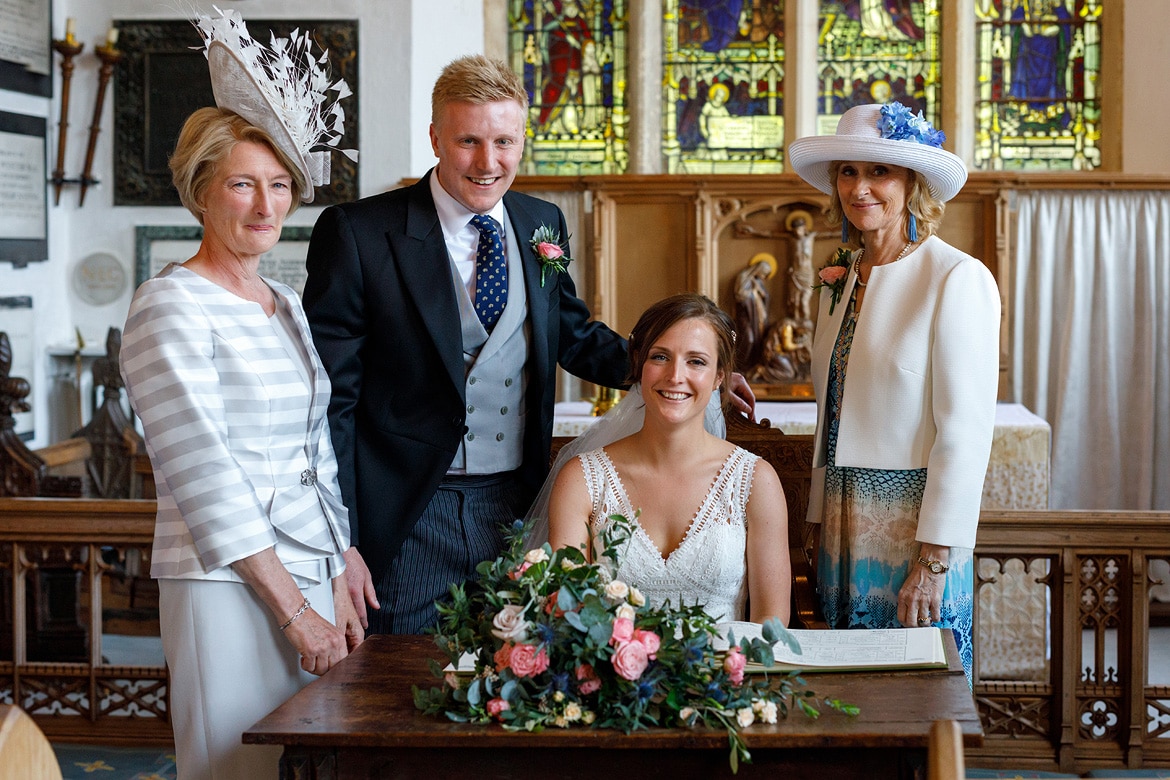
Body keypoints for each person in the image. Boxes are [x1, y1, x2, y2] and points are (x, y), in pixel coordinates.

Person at [119, 10, 360, 777]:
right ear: (201, 192)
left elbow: (315, 444)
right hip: (227, 583)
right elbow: (203, 474)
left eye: (280, 185)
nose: (266, 207)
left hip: (314, 564)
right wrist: (292, 610)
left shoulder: (282, 300)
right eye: (243, 185)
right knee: (236, 767)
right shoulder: (169, 304)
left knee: (311, 763)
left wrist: (342, 553)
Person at [786, 102, 1000, 680]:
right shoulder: (841, 279)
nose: (861, 188)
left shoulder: (957, 277)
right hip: (840, 523)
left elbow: (965, 431)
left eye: (879, 172)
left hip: (913, 529)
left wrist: (934, 559)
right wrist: (814, 517)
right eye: (848, 172)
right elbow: (831, 413)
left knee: (919, 688)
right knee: (847, 694)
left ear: (913, 182)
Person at [546, 294, 791, 625]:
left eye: (696, 361)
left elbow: (770, 627)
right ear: (638, 365)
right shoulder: (581, 480)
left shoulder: (756, 481)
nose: (675, 376)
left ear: (720, 376)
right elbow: (567, 619)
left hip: (727, 674)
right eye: (660, 357)